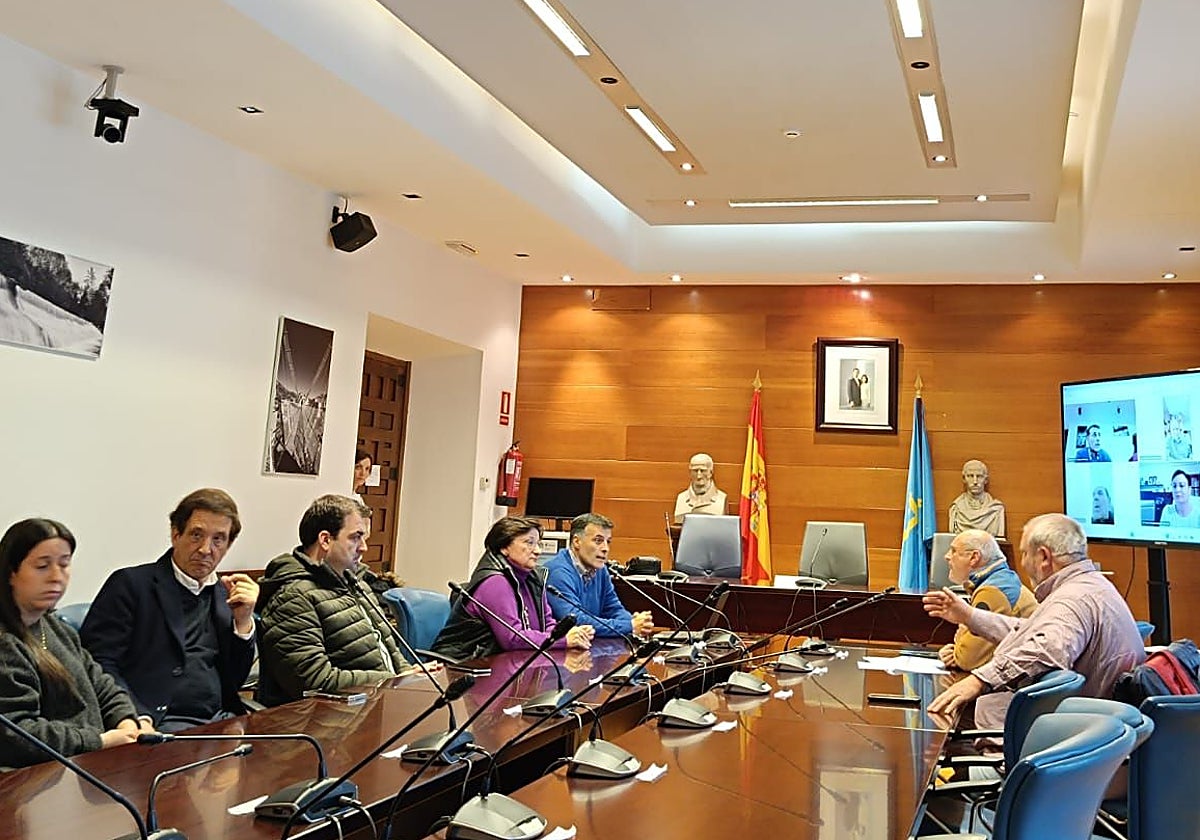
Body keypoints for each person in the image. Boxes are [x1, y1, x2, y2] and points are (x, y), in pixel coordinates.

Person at [923, 513, 1145, 735]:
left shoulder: (1073, 599)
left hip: (1050, 741)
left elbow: (1047, 648)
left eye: (1024, 553)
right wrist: (970, 616)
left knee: (934, 727)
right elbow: (1028, 631)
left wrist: (980, 680)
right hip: (1081, 732)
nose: (1022, 562)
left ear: (1044, 557)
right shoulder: (1089, 586)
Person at [80, 489, 257, 731]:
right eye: (196, 535)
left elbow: (234, 679)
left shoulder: (226, 595)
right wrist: (134, 717)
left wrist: (244, 623)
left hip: (221, 720)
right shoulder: (132, 585)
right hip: (156, 722)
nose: (206, 549)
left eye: (218, 539)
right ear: (175, 534)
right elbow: (98, 664)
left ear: (228, 545)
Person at [0, 519, 149, 769]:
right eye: (42, 566)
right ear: (10, 572)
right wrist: (98, 741)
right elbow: (17, 733)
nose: (56, 577)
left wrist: (126, 720)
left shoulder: (56, 627)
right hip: (33, 779)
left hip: (84, 765)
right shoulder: (6, 643)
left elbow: (101, 684)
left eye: (64, 564)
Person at [255, 495, 410, 706]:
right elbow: (314, 681)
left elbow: (388, 648)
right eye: (356, 538)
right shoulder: (293, 596)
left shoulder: (357, 584)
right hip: (324, 720)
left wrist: (410, 674)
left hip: (374, 703)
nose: (364, 547)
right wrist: (389, 680)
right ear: (326, 540)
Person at [431, 516, 594, 661]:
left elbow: (547, 624)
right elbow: (512, 638)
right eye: (529, 543)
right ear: (504, 547)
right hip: (467, 666)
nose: (537, 551)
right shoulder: (495, 582)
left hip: (504, 663)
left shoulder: (533, 578)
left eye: (538, 544)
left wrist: (570, 634)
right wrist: (563, 641)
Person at [936, 530, 1037, 673]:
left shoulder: (992, 592)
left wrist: (958, 650)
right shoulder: (1000, 580)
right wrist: (958, 649)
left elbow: (968, 660)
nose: (947, 556)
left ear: (974, 557)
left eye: (954, 551)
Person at [545, 513, 653, 641]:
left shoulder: (600, 570)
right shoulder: (558, 572)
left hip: (591, 646)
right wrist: (629, 625)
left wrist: (633, 623)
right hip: (561, 652)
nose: (605, 548)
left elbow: (613, 608)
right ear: (576, 542)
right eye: (598, 541)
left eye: (608, 542)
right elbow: (576, 620)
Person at [947, 459, 1007, 537]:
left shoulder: (996, 509)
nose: (975, 481)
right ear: (964, 479)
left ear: (986, 480)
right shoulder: (956, 509)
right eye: (970, 476)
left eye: (979, 476)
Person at [673, 453, 728, 524]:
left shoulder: (721, 499)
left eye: (702, 471)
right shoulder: (681, 498)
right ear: (690, 473)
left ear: (711, 472)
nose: (699, 476)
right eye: (695, 471)